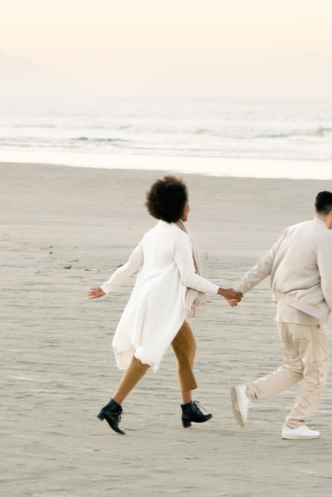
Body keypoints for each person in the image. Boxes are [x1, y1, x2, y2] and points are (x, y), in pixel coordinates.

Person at [88, 174, 242, 434]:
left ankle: (188, 407)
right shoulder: (178, 238)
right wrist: (223, 291)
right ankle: (113, 406)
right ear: (177, 206)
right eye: (187, 203)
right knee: (147, 355)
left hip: (155, 301)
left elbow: (129, 266)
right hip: (163, 305)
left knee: (187, 348)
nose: (190, 207)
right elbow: (189, 278)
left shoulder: (153, 233)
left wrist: (106, 287)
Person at [227, 189, 332, 440]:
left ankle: (248, 393)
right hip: (306, 315)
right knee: (317, 373)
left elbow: (264, 264)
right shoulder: (325, 237)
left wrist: (240, 290)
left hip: (283, 313)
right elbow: (331, 285)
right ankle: (295, 424)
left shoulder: (293, 230)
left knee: (295, 368)